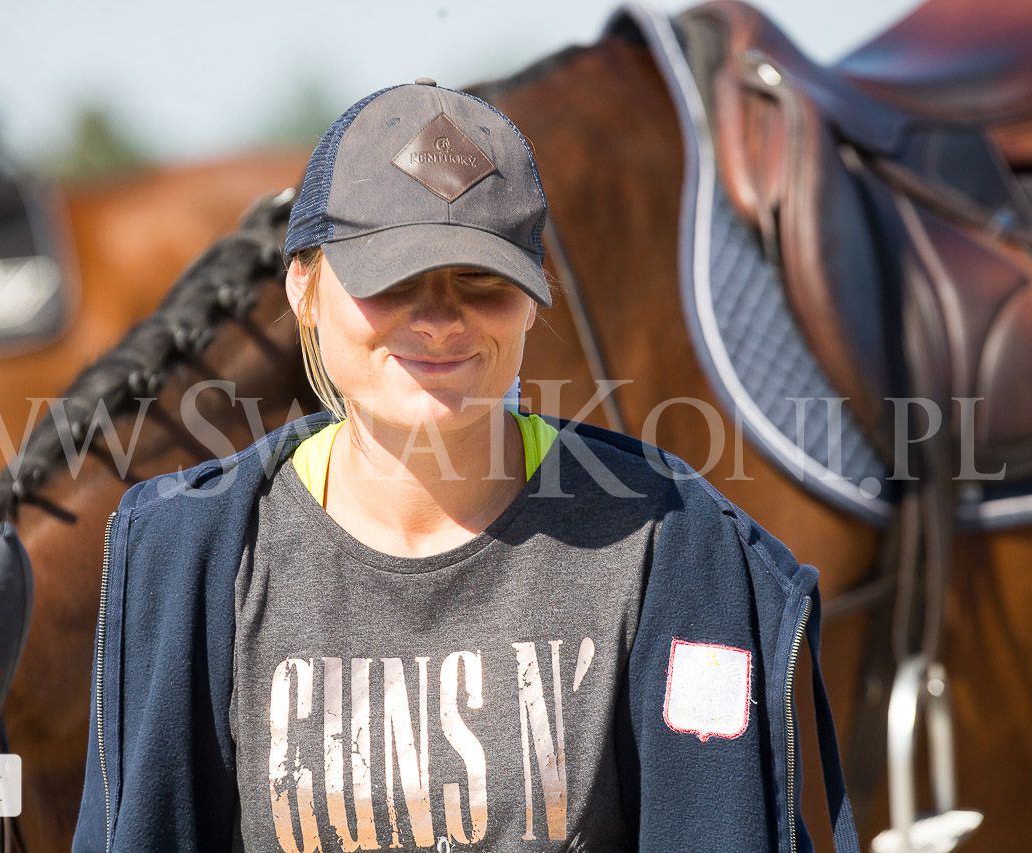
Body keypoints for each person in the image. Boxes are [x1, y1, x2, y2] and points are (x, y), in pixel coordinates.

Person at [73, 80, 858, 852]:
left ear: (532, 298)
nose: (441, 319)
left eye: (482, 280)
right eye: (393, 277)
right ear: (303, 287)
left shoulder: (675, 550)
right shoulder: (191, 562)